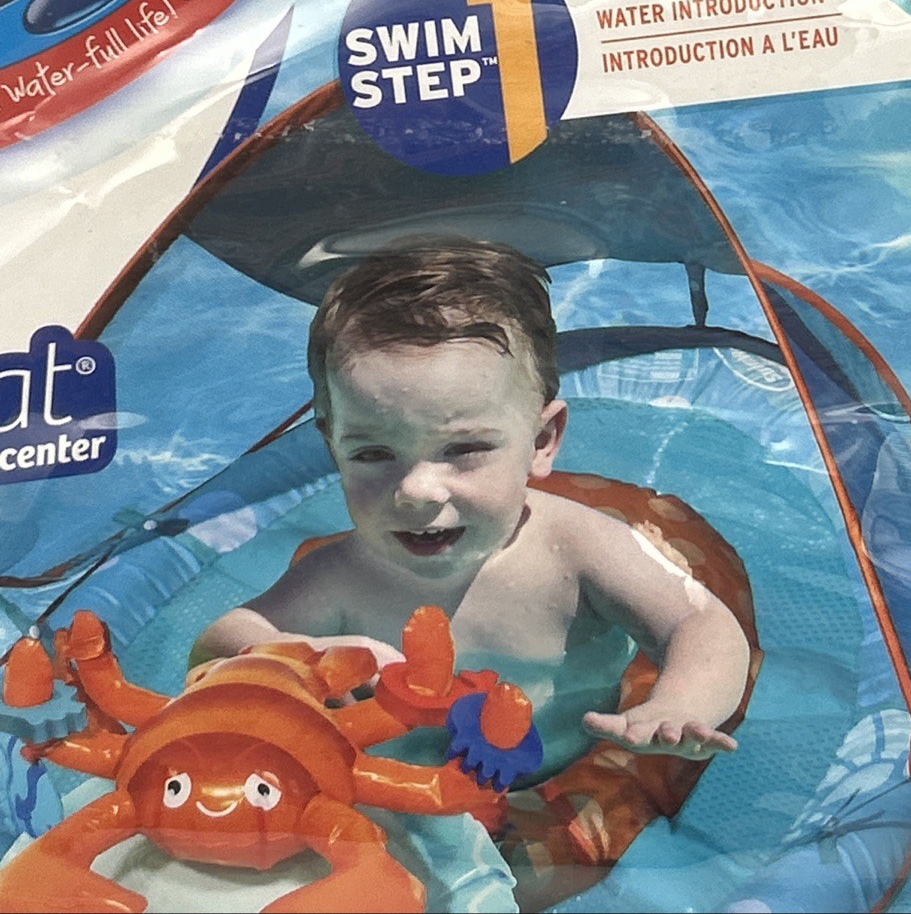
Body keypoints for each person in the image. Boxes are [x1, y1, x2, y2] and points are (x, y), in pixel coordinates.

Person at [192, 236, 751, 780]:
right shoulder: (341, 576)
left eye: (463, 449)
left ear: (542, 441)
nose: (417, 491)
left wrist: (678, 705)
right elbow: (215, 649)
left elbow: (698, 623)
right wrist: (302, 655)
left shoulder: (577, 549)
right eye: (373, 454)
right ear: (332, 446)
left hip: (564, 777)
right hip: (405, 793)